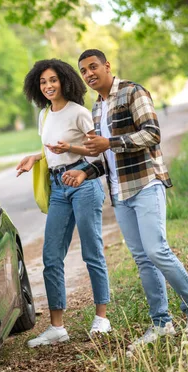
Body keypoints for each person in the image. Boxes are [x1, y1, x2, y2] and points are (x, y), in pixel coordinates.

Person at [65, 49, 188, 348]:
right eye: (84, 70)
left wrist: (112, 142)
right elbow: (106, 156)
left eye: (94, 67)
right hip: (119, 193)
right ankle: (161, 323)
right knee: (143, 260)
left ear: (107, 66)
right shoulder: (96, 109)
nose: (90, 74)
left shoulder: (133, 92)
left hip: (145, 184)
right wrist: (84, 173)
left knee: (157, 251)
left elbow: (152, 134)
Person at [15, 59, 111, 347]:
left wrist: (70, 148)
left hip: (83, 183)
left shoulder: (80, 113)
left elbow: (97, 152)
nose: (48, 86)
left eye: (53, 80)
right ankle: (57, 327)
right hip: (58, 187)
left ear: (65, 81)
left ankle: (101, 318)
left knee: (91, 250)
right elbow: (53, 150)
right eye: (43, 82)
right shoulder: (44, 115)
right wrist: (37, 157)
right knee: (51, 256)